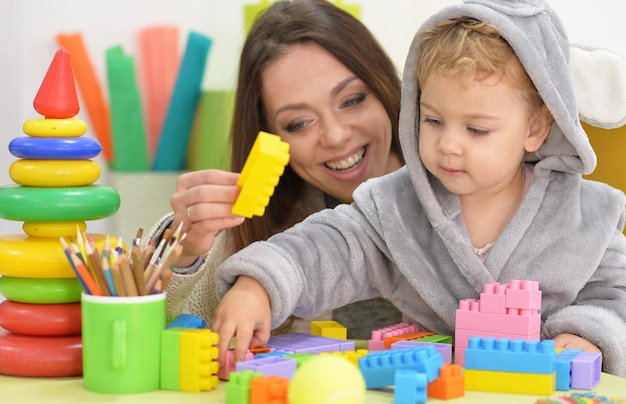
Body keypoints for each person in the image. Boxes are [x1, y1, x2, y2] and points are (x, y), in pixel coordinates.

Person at [211, 0, 626, 377]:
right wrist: (260, 283)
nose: (448, 144)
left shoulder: (587, 215)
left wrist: (589, 335)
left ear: (535, 127)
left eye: (476, 129)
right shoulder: (394, 208)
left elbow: (614, 294)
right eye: (432, 120)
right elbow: (327, 248)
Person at [145, 0, 404, 338]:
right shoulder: (265, 228)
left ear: (385, 87)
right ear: (269, 137)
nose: (336, 136)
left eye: (352, 100)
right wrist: (182, 252)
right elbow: (166, 328)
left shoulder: (467, 185)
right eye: (299, 123)